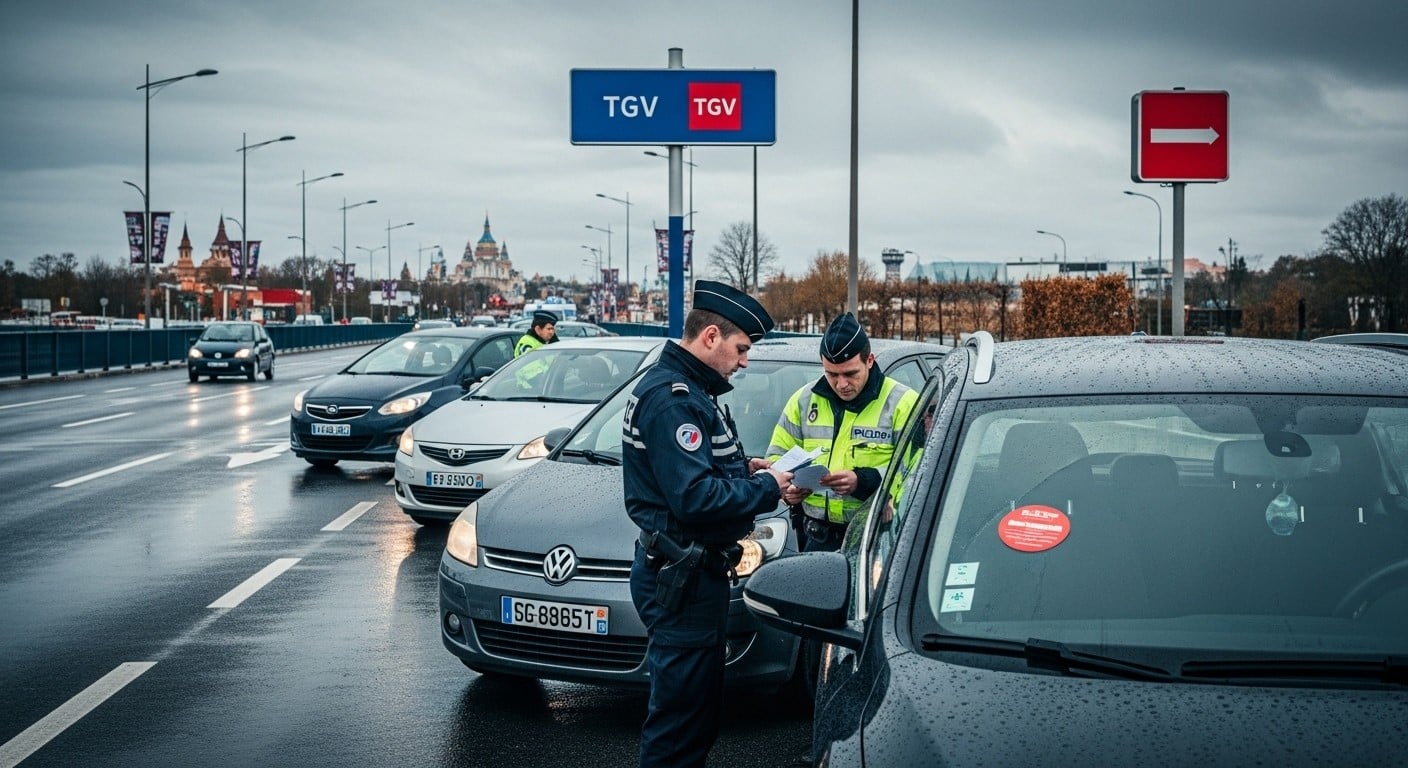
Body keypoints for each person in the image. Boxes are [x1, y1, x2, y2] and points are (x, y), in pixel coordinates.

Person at [623, 279, 792, 768]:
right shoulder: (675, 398)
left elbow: (695, 474)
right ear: (711, 336)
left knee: (694, 717)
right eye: (741, 349)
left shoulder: (688, 389)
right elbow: (695, 498)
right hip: (683, 580)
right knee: (679, 728)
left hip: (690, 574)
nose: (744, 362)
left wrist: (748, 471)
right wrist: (769, 489)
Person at [767, 312, 919, 553]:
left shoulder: (903, 403)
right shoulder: (803, 401)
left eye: (850, 374)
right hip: (815, 537)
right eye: (831, 374)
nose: (841, 384)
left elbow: (918, 472)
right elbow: (777, 457)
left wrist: (864, 481)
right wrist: (788, 490)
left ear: (869, 360)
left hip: (876, 539)